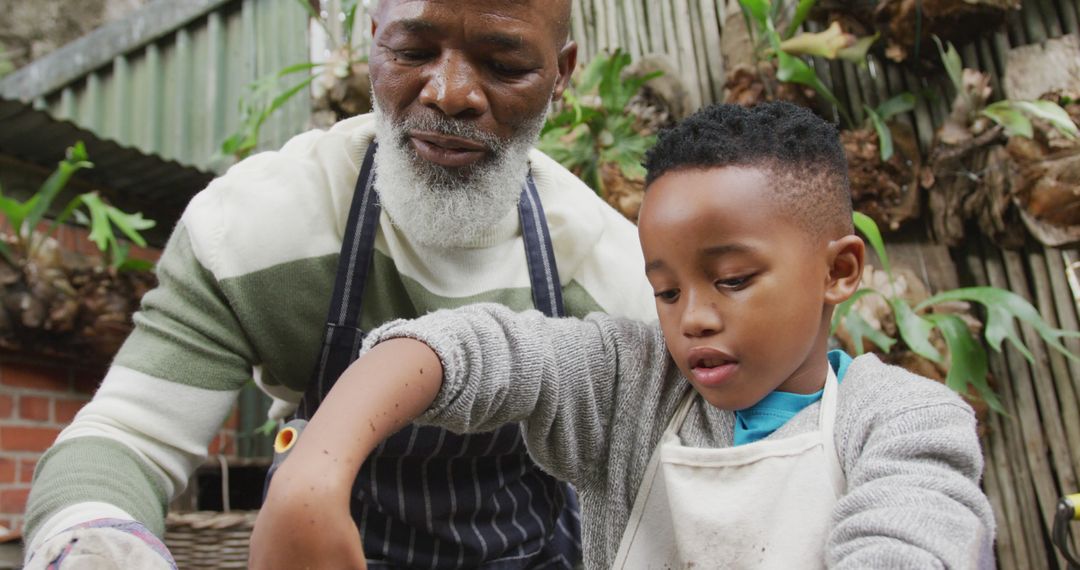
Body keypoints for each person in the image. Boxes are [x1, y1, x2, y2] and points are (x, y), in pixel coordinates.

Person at [22, 1, 657, 567]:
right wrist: (95, 543)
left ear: (560, 76)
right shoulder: (252, 231)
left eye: (504, 65)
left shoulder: (617, 276)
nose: (450, 92)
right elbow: (125, 440)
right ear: (373, 38)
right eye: (412, 52)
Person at [252, 102, 997, 569]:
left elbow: (914, 540)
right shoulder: (632, 384)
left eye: (732, 280)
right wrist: (313, 475)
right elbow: (477, 349)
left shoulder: (901, 420)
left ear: (838, 270)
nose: (692, 318)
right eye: (664, 290)